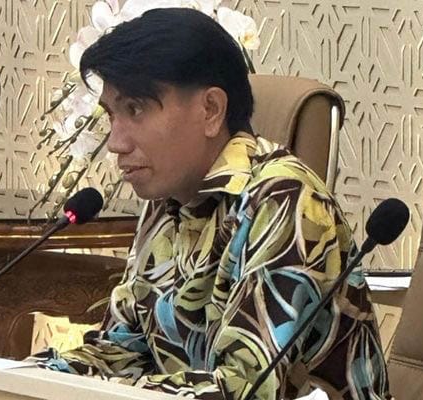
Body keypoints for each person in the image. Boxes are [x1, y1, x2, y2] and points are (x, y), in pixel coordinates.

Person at [30, 8, 388, 400]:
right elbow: (122, 350)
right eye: (112, 115)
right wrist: (19, 377)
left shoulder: (286, 199)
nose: (116, 142)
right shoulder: (168, 199)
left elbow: (245, 387)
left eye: (135, 109)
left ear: (211, 110)